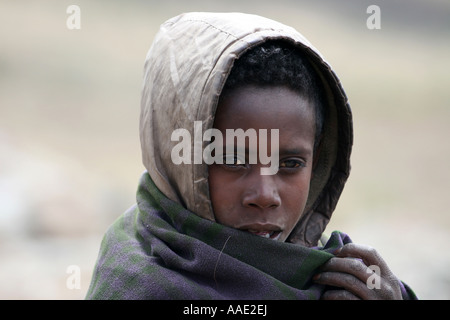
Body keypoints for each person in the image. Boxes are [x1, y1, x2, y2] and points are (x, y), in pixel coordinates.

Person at [86, 12, 417, 300]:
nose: (265, 196)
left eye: (290, 164)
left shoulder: (340, 280)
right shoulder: (142, 284)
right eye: (232, 160)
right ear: (180, 161)